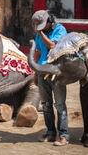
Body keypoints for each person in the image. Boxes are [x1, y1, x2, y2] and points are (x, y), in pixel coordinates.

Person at [32, 10, 69, 146]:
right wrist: (35, 72)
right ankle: (50, 133)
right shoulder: (39, 34)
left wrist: (40, 33)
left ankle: (63, 135)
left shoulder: (60, 30)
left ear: (50, 20)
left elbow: (53, 46)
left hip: (56, 72)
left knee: (59, 104)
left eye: (42, 25)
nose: (40, 28)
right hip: (42, 72)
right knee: (46, 105)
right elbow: (38, 51)